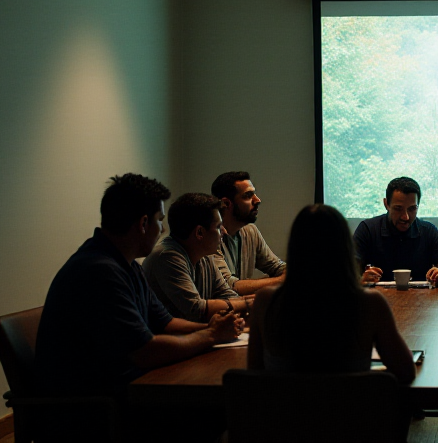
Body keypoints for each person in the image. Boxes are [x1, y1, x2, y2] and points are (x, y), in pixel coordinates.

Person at [34, 174, 242, 441]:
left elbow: (165, 323)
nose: (163, 230)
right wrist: (211, 335)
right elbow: (144, 352)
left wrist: (212, 328)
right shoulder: (99, 271)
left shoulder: (126, 264)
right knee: (215, 414)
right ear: (144, 223)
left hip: (124, 391)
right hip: (92, 410)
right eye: (159, 221)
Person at [248, 204, 415, 441]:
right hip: (353, 429)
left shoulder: (265, 302)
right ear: (345, 247)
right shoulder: (369, 303)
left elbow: (254, 375)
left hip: (284, 429)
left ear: (296, 247)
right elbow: (405, 372)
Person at [143, 193, 250, 322]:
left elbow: (226, 294)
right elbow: (196, 310)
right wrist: (248, 304)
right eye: (218, 227)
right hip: (171, 339)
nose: (224, 231)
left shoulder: (205, 255)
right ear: (200, 232)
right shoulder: (167, 257)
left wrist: (243, 304)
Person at [353, 177, 438, 286]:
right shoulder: (368, 230)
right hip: (378, 299)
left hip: (421, 299)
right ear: (386, 204)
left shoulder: (428, 231)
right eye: (398, 209)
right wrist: (361, 280)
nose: (406, 217)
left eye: (412, 209)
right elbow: (345, 273)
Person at [211, 171, 286, 295]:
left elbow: (276, 266)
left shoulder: (250, 231)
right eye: (248, 196)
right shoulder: (211, 237)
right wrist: (282, 280)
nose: (257, 200)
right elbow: (229, 286)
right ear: (227, 203)